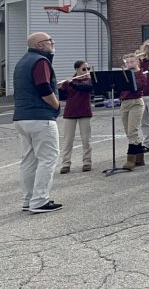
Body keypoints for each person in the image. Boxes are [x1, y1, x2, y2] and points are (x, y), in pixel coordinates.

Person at [14, 32, 63, 213]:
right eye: (50, 40)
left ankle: (28, 199)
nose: (53, 43)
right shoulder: (40, 61)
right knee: (48, 159)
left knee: (28, 160)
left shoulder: (22, 61)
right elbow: (43, 87)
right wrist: (57, 105)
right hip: (40, 117)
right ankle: (40, 200)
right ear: (40, 45)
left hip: (21, 117)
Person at [59, 60, 93, 173]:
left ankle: (87, 162)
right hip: (70, 113)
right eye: (84, 69)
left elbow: (86, 88)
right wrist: (62, 86)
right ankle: (65, 164)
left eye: (88, 69)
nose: (87, 71)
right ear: (77, 70)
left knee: (86, 140)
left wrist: (71, 83)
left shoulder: (88, 80)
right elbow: (62, 97)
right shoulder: (69, 82)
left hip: (84, 112)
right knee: (68, 140)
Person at [120, 53, 147, 170]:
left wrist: (128, 75)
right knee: (129, 132)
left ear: (137, 62)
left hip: (136, 103)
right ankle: (140, 158)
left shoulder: (141, 74)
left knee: (132, 131)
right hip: (124, 103)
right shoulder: (123, 75)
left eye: (132, 62)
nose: (130, 64)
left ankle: (130, 159)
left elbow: (139, 85)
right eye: (128, 62)